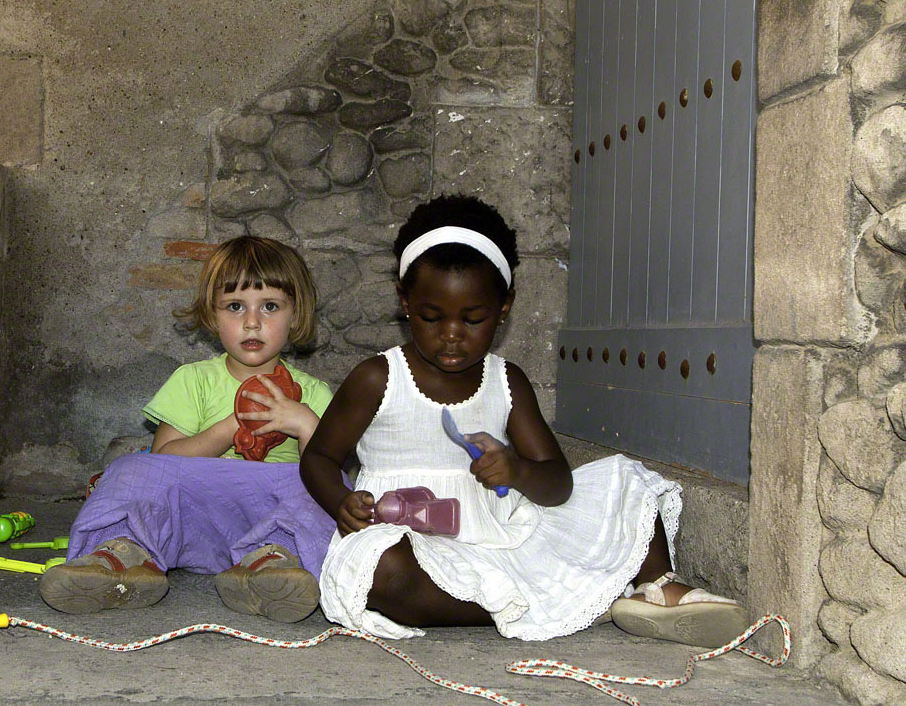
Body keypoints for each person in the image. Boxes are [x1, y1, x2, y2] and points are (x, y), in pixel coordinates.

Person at [300, 195, 747, 646]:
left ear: (505, 307)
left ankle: (658, 585)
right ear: (405, 302)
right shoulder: (379, 377)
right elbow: (319, 456)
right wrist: (341, 500)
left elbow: (557, 484)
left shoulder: (505, 381)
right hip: (415, 543)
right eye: (432, 317)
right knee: (383, 573)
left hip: (505, 537)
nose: (451, 334)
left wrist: (515, 468)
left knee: (626, 481)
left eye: (473, 319)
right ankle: (581, 600)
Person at [40, 236, 336, 622]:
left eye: (270, 306)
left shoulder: (314, 393)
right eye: (235, 307)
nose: (252, 322)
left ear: (295, 316)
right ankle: (120, 558)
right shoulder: (192, 379)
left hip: (267, 522)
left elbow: (326, 478)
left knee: (325, 489)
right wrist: (232, 426)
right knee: (131, 468)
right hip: (188, 525)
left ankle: (271, 566)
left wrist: (305, 423)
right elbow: (166, 459)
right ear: (213, 317)